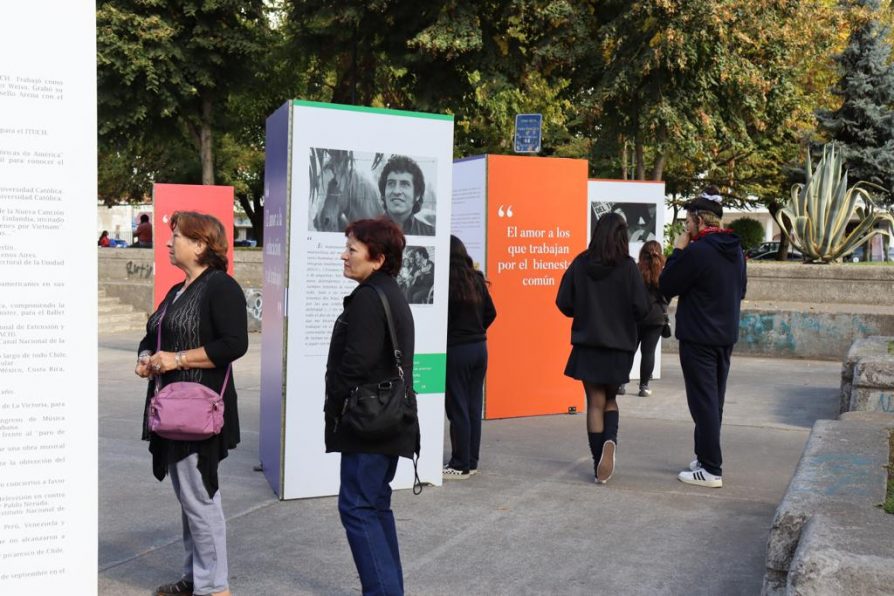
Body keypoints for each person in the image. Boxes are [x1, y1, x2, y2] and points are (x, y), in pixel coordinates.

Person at [135, 211, 248, 596]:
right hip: (172, 410)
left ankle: (215, 587)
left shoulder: (221, 287)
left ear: (201, 245)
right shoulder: (177, 290)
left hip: (198, 410)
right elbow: (154, 332)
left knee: (200, 498)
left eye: (177, 236)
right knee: (188, 497)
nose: (169, 242)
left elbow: (235, 345)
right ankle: (196, 577)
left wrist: (177, 359)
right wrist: (147, 356)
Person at [324, 217, 419, 595]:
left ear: (377, 258)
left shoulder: (368, 297)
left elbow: (356, 363)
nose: (344, 255)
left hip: (368, 421)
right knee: (375, 506)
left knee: (358, 508)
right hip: (388, 419)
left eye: (352, 249)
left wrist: (336, 404)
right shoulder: (388, 291)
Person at [659, 186, 746, 489]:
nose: (685, 227)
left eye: (687, 222)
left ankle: (711, 468)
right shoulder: (734, 250)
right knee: (713, 401)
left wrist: (678, 248)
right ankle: (704, 456)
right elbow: (741, 290)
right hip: (724, 335)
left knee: (702, 403)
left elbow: (666, 284)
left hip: (698, 337)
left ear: (697, 219)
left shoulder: (697, 251)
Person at [556, 213, 648, 484]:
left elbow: (563, 302)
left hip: (588, 344)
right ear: (622, 236)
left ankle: (599, 462)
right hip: (619, 346)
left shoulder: (580, 263)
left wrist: (582, 310)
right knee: (610, 400)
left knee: (594, 403)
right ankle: (610, 441)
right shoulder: (628, 267)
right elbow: (641, 308)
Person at [443, 235, 497, 479]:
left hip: (456, 349)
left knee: (458, 407)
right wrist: (477, 330)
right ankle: (471, 461)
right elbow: (492, 313)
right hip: (479, 349)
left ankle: (459, 463)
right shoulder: (476, 279)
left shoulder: (446, 281)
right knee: (474, 405)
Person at [618, 240, 668, 397]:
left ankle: (621, 384)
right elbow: (668, 294)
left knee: (630, 350)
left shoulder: (635, 269)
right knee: (649, 352)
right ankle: (644, 386)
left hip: (636, 316)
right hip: (656, 318)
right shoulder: (664, 271)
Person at [378, 155, 435, 236]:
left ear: (417, 194)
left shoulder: (430, 233)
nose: (396, 191)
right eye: (391, 183)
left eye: (404, 184)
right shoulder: (367, 233)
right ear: (384, 191)